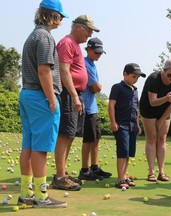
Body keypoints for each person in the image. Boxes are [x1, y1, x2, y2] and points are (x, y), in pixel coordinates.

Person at [18, 0, 68, 208]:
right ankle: (41, 196)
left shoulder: (33, 35)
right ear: (51, 15)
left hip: (27, 94)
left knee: (28, 146)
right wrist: (51, 99)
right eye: (60, 16)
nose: (62, 20)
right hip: (40, 97)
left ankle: (25, 192)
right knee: (40, 149)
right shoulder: (46, 37)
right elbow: (44, 70)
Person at [52, 15, 100, 191]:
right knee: (64, 134)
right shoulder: (67, 43)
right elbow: (63, 71)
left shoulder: (76, 45)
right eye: (88, 30)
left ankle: (62, 173)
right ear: (79, 27)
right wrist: (73, 96)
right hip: (68, 94)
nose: (89, 35)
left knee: (70, 135)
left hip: (76, 94)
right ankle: (59, 177)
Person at [139, 59, 171, 182]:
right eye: (170, 75)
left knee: (162, 139)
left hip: (164, 111)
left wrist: (162, 120)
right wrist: (166, 98)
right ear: (163, 71)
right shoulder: (153, 79)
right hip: (149, 110)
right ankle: (151, 172)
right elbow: (153, 101)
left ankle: (161, 172)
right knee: (151, 138)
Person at [78, 37, 112, 181]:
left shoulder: (92, 64)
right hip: (86, 107)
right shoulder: (85, 64)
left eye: (100, 52)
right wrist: (98, 86)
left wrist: (98, 86)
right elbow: (96, 87)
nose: (98, 55)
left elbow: (97, 87)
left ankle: (94, 167)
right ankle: (85, 170)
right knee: (88, 140)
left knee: (96, 138)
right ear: (88, 50)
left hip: (93, 107)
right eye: (96, 52)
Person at [108, 63, 146, 189]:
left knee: (129, 152)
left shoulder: (135, 90)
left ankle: (124, 177)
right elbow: (111, 105)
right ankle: (120, 179)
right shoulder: (117, 87)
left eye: (137, 78)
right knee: (122, 152)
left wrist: (138, 124)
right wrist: (113, 122)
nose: (135, 79)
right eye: (133, 76)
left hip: (132, 126)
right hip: (121, 125)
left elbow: (136, 108)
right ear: (125, 74)